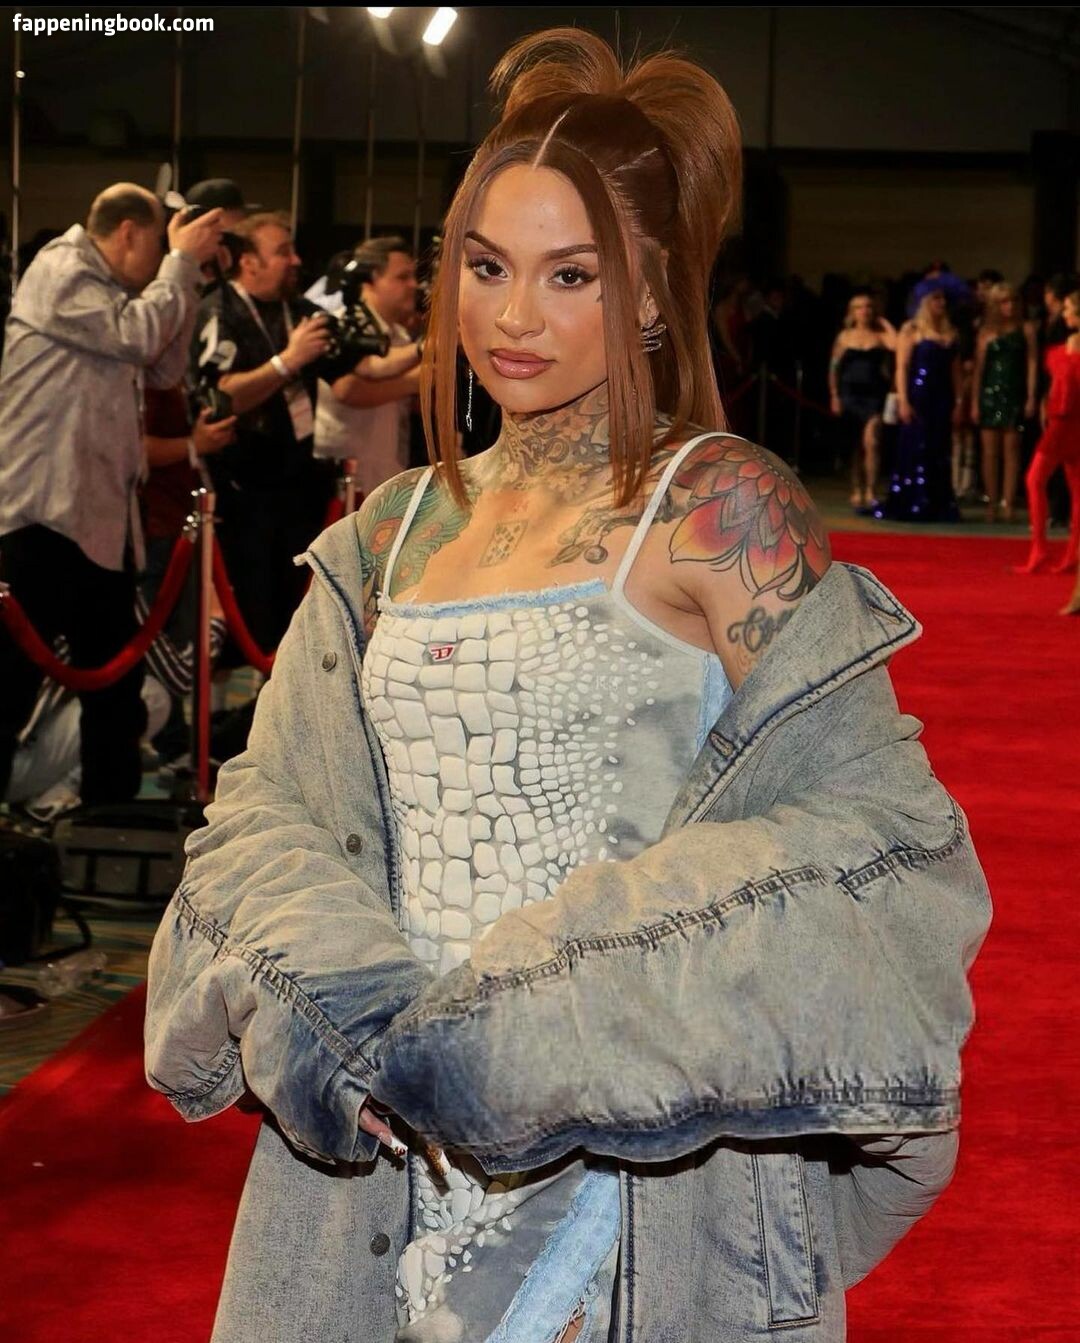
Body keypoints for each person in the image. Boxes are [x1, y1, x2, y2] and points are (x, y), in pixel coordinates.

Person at [145, 30, 990, 1343]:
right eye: (485, 266)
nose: (512, 316)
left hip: (636, 1184)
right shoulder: (389, 531)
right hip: (382, 1158)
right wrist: (336, 1019)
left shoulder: (722, 507)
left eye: (570, 274)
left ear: (650, 295)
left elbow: (880, 842)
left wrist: (544, 1016)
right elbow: (267, 813)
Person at [0, 183, 223, 805]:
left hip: (101, 521)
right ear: (128, 232)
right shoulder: (60, 270)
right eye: (157, 245)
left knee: (116, 696)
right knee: (10, 685)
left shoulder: (115, 297)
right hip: (42, 516)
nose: (159, 260)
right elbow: (139, 339)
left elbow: (164, 368)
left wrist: (188, 276)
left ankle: (111, 821)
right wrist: (181, 261)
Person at [193, 210, 334, 655]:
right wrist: (287, 362)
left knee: (296, 615)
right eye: (282, 252)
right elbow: (221, 396)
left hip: (300, 484)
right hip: (243, 491)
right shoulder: (221, 310)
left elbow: (358, 369)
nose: (296, 261)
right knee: (252, 615)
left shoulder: (300, 310)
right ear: (248, 261)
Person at [313, 236, 424, 499]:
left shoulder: (400, 335)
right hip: (346, 476)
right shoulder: (342, 326)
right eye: (402, 277)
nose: (414, 285)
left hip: (387, 469)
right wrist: (418, 377)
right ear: (370, 278)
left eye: (413, 276)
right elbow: (349, 390)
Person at [876, 282, 964, 522]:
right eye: (936, 298)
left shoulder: (951, 333)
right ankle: (912, 498)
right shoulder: (911, 330)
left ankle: (937, 501)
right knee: (915, 445)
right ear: (925, 302)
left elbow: (956, 372)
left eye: (943, 299)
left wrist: (959, 401)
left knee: (939, 447)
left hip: (942, 397)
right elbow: (901, 368)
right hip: (919, 395)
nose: (941, 303)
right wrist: (903, 400)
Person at [1015, 288, 1080, 576]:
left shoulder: (1072, 346)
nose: (1064, 313)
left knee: (1035, 480)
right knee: (1075, 488)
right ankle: (1070, 553)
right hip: (1067, 422)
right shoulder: (1068, 344)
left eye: (1068, 308)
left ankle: (1041, 548)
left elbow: (1066, 386)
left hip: (1065, 424)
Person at [971, 282, 1038, 523]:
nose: (1009, 306)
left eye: (1013, 301)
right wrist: (974, 402)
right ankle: (991, 501)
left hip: (1014, 393)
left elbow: (1032, 364)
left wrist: (1031, 395)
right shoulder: (985, 332)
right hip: (990, 393)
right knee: (990, 452)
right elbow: (979, 370)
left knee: (1012, 451)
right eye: (1004, 302)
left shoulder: (1026, 329)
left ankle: (1008, 502)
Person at [828, 292, 896, 509]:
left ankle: (871, 489)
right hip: (849, 394)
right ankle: (857, 488)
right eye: (859, 307)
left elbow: (895, 345)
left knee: (872, 442)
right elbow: (834, 368)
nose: (865, 311)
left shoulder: (879, 336)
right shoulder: (844, 337)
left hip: (873, 395)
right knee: (855, 445)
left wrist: (884, 322)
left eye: (868, 306)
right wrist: (834, 395)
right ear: (852, 312)